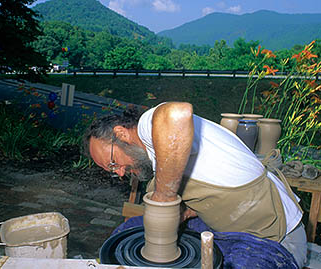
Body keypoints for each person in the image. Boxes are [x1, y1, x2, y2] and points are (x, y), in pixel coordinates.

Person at [83, 102, 307, 268]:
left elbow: (177, 113)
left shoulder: (149, 126)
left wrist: (165, 197)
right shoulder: (159, 156)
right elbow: (204, 193)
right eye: (113, 172)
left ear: (121, 133)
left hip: (276, 236)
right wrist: (183, 212)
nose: (120, 173)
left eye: (114, 163)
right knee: (129, 230)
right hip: (230, 226)